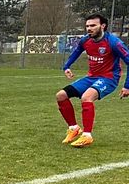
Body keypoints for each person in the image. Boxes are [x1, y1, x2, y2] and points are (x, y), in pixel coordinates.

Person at [55, 14, 129, 148]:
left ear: (103, 26)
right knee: (61, 95)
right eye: (87, 26)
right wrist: (66, 66)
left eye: (93, 25)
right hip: (91, 77)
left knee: (86, 97)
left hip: (109, 78)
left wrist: (127, 86)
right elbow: (76, 52)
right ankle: (74, 128)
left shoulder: (114, 42)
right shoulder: (85, 41)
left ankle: (87, 135)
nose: (89, 28)